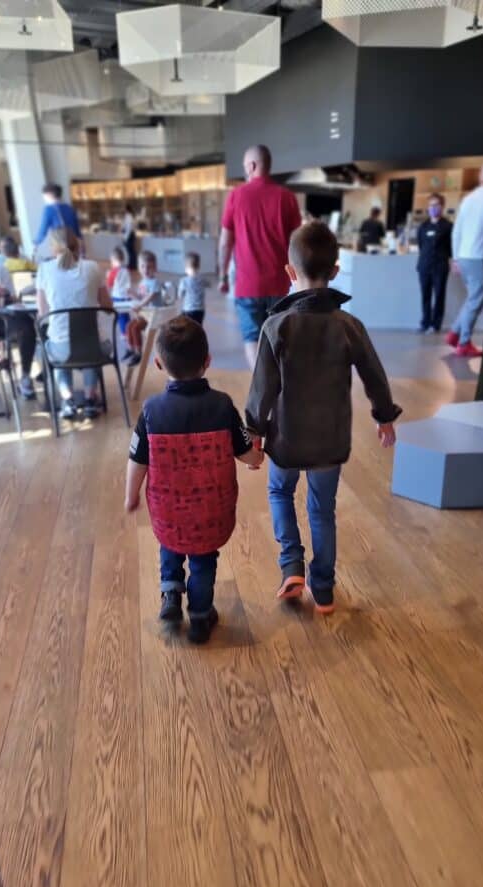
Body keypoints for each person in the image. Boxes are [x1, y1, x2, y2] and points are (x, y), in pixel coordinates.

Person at [245, 221, 401, 613]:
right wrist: (384, 417)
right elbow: (375, 375)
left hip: (286, 438)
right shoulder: (349, 326)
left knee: (280, 492)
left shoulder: (276, 326)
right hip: (330, 440)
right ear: (335, 271)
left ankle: (292, 566)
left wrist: (254, 433)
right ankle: (325, 589)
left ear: (289, 272)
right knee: (322, 509)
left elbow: (262, 388)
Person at [125, 316, 263, 644]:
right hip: (210, 511)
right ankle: (200, 617)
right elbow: (246, 452)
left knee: (170, 545)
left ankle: (171, 596)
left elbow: (137, 460)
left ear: (159, 364)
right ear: (207, 361)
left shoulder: (151, 411)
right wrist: (256, 458)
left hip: (168, 509)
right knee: (203, 559)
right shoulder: (222, 406)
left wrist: (131, 495)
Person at [218, 144, 301, 370]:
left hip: (248, 286)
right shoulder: (287, 198)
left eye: (245, 166)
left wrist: (223, 276)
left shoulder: (236, 196)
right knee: (279, 339)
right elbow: (297, 243)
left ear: (252, 166)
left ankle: (263, 386)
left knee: (252, 339)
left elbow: (225, 242)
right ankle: (281, 385)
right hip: (279, 285)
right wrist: (298, 278)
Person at [36, 228, 112, 420]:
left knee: (54, 346)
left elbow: (43, 314)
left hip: (62, 348)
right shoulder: (93, 267)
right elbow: (107, 306)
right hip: (94, 347)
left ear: (53, 248)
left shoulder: (44, 269)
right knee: (90, 343)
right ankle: (90, 400)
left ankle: (68, 401)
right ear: (77, 245)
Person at [447, 160, 483, 358]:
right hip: (479, 257)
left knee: (471, 299)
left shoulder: (468, 199)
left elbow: (456, 231)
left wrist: (455, 258)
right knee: (476, 301)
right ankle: (463, 343)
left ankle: (454, 333)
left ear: (480, 176)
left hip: (463, 256)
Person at [0, 258, 37, 398]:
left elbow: (11, 299)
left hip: (2, 318)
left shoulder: (0, 269)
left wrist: (6, 295)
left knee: (26, 326)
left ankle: (25, 376)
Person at [123, 250, 173, 367]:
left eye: (149, 267)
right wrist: (132, 294)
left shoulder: (155, 282)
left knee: (135, 328)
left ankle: (138, 353)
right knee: (129, 326)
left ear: (155, 268)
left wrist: (140, 305)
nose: (145, 270)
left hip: (155, 315)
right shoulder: (143, 282)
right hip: (146, 314)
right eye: (142, 266)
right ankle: (131, 349)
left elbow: (150, 297)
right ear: (139, 267)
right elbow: (141, 297)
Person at [417, 193, 452, 333]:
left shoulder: (448, 226)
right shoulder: (423, 226)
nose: (433, 207)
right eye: (431, 205)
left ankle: (435, 324)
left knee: (439, 296)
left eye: (436, 205)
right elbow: (421, 245)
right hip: (424, 265)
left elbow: (451, 247)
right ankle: (425, 323)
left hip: (440, 265)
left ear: (442, 206)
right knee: (425, 295)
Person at [33, 183, 82, 257]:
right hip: (72, 241)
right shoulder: (69, 208)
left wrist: (36, 243)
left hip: (59, 243)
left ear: (49, 195)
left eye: (44, 196)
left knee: (60, 262)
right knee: (74, 261)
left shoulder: (48, 209)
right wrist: (80, 241)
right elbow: (76, 227)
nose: (44, 198)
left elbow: (43, 229)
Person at [106, 246, 131, 335]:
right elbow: (128, 285)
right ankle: (129, 331)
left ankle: (124, 333)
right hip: (126, 297)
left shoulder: (113, 272)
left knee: (120, 316)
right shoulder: (126, 270)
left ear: (114, 260)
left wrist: (108, 276)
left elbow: (109, 284)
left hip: (117, 297)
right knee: (126, 315)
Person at [178, 252, 207, 325]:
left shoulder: (184, 281)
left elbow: (180, 295)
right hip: (200, 310)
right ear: (198, 266)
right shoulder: (202, 279)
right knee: (198, 327)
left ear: (186, 268)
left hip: (188, 309)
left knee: (187, 327)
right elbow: (209, 284)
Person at [122, 204, 137, 271]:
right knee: (131, 251)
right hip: (131, 235)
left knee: (130, 251)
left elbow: (128, 229)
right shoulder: (130, 216)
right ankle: (132, 265)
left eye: (124, 209)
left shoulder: (129, 217)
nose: (123, 210)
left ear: (126, 209)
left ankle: (132, 265)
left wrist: (125, 238)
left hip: (129, 235)